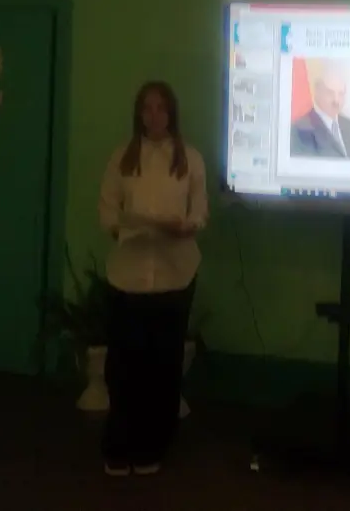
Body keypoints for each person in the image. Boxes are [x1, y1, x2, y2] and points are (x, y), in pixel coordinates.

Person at [97, 80, 208, 476]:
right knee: (123, 365)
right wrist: (122, 228)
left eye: (161, 108)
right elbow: (107, 210)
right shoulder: (122, 157)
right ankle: (119, 443)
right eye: (147, 108)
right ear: (139, 114)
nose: (154, 115)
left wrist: (185, 227)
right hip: (128, 274)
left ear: (171, 113)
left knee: (163, 365)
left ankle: (152, 444)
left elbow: (200, 212)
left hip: (174, 274)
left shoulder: (190, 158)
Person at [290, 67, 350, 160]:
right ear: (317, 93)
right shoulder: (300, 129)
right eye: (330, 93)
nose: (336, 100)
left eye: (341, 94)